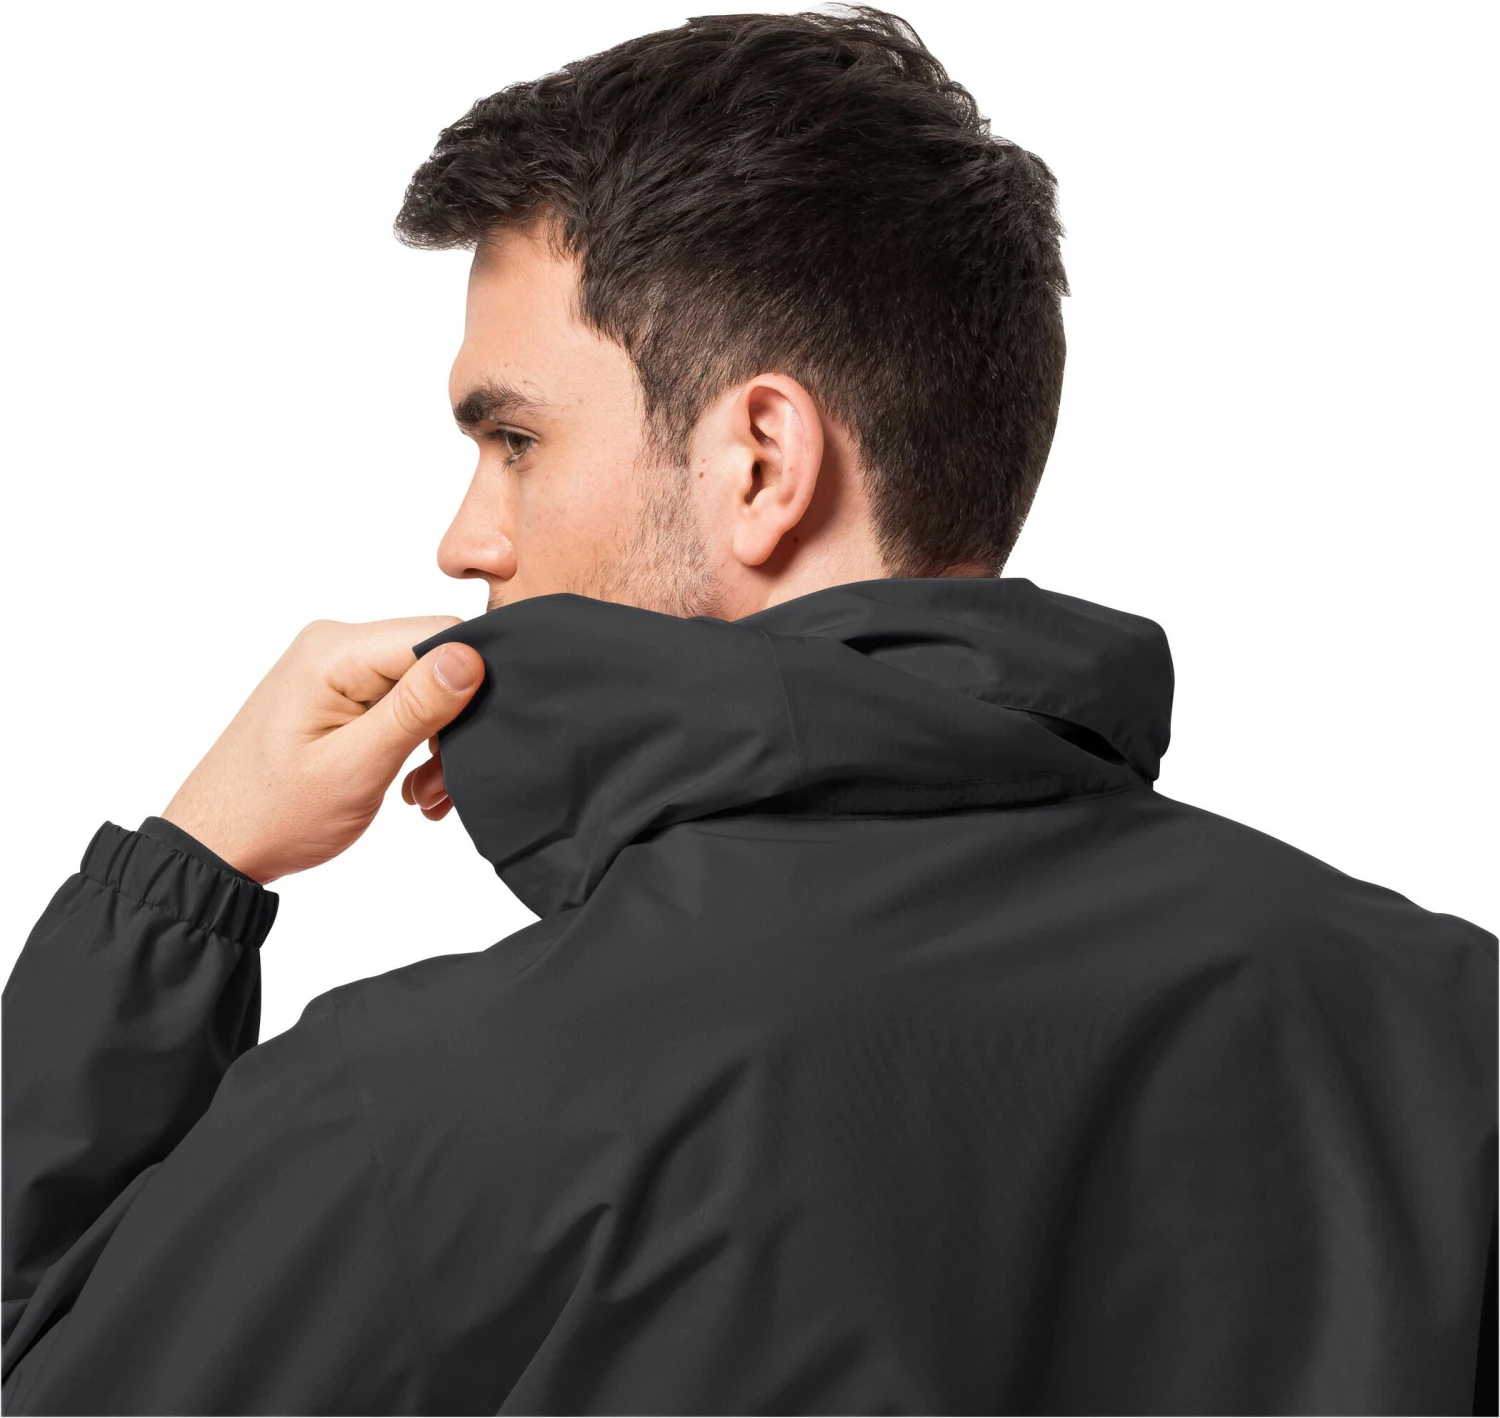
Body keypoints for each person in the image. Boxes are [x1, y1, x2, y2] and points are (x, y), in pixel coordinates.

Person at [3, 6, 1494, 1413]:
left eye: (513, 439)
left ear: (763, 463)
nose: (464, 538)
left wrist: (187, 876)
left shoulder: (432, 1109)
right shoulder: (1449, 1028)